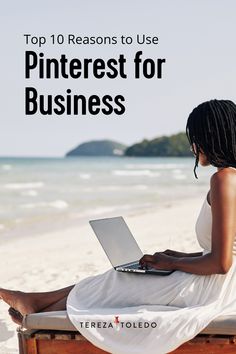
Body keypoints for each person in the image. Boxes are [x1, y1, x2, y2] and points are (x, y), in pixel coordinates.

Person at [1, 99, 236, 354]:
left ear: (212, 136)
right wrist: (177, 256)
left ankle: (38, 310)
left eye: (196, 137)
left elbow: (221, 263)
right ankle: (36, 302)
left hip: (215, 289)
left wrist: (172, 264)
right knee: (123, 275)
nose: (193, 146)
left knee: (121, 279)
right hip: (221, 283)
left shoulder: (224, 179)